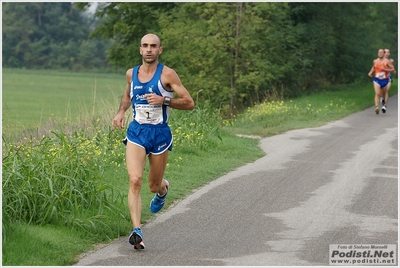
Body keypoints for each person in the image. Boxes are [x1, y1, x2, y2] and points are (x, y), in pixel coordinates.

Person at [112, 33, 195, 250]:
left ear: (160, 50)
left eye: (153, 46)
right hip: (137, 132)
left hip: (159, 134)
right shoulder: (131, 74)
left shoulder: (167, 74)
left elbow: (189, 103)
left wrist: (164, 100)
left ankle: (163, 189)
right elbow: (128, 96)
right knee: (135, 179)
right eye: (145, 46)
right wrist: (121, 112)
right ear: (140, 49)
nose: (149, 49)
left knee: (152, 185)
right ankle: (137, 230)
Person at [368, 48, 395, 114]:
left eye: (381, 52)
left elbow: (393, 69)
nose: (380, 53)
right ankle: (376, 107)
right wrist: (370, 72)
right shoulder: (375, 61)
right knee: (377, 93)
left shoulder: (388, 61)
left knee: (383, 94)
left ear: (384, 53)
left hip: (385, 79)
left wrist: (385, 69)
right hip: (377, 79)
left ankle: (384, 104)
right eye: (379, 52)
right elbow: (374, 67)